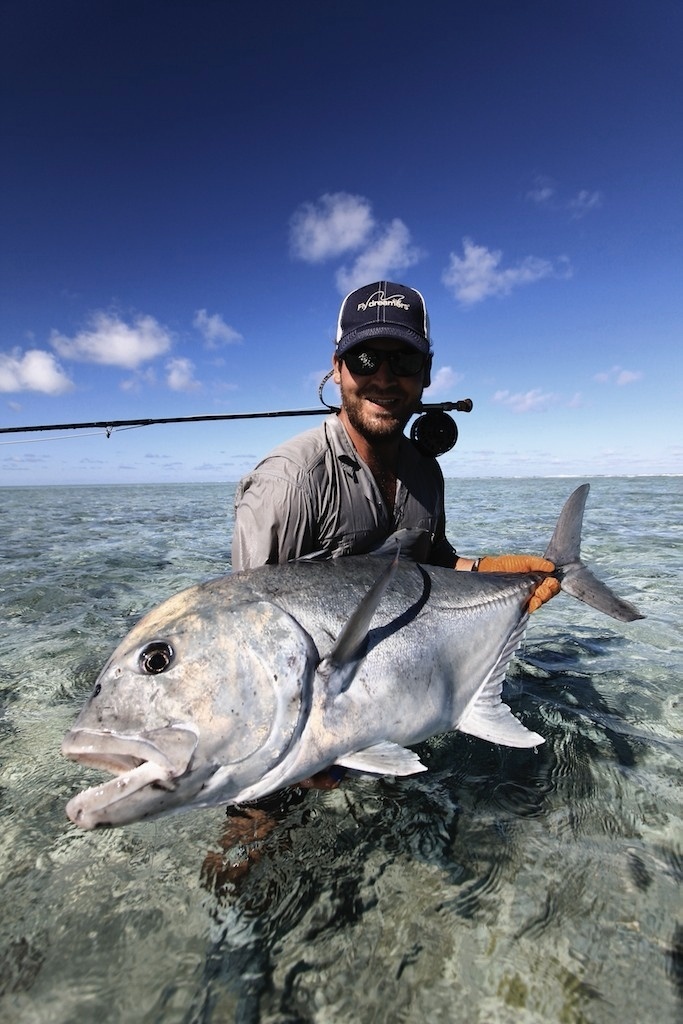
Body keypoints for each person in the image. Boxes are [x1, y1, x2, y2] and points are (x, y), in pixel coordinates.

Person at [232, 280, 559, 613]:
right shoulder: (287, 484)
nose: (384, 378)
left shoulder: (426, 471)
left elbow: (431, 561)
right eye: (364, 359)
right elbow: (252, 622)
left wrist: (482, 572)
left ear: (427, 371)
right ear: (337, 368)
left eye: (404, 360)